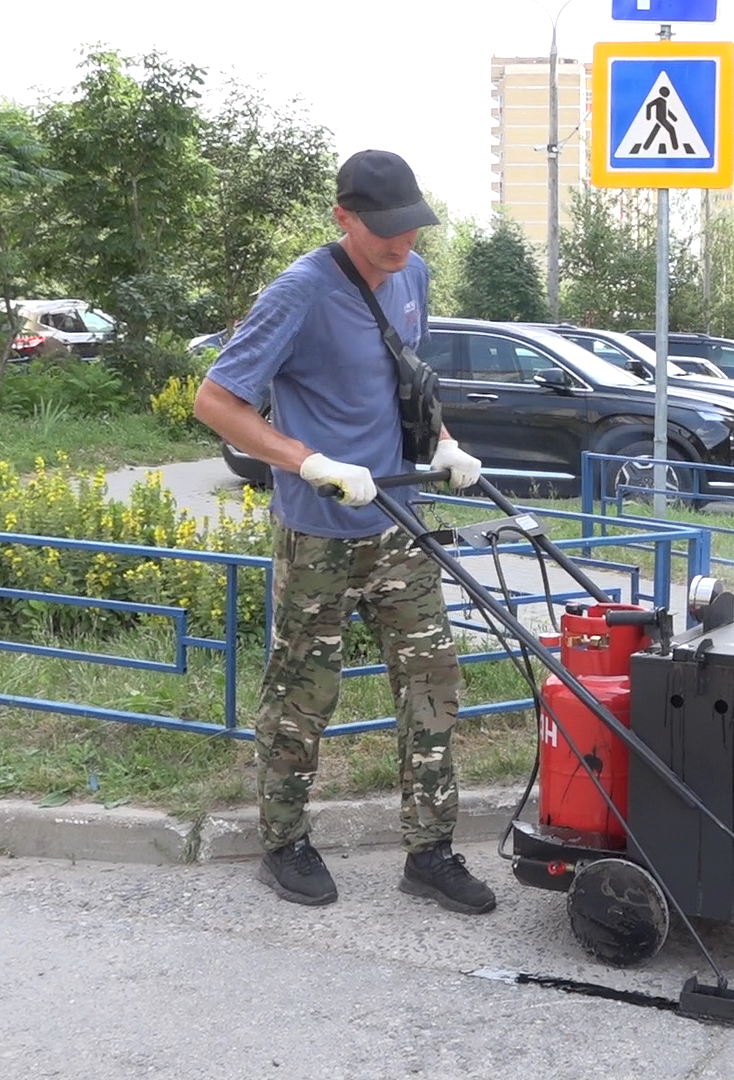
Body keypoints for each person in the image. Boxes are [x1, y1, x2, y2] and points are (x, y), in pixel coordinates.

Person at [193, 149, 494, 914]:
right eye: (386, 230)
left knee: (432, 682)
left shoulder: (413, 276)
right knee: (303, 694)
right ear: (343, 217)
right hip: (318, 535)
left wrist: (444, 443)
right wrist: (308, 461)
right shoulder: (299, 293)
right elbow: (216, 401)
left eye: (413, 228)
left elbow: (404, 378)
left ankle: (430, 853)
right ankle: (284, 842)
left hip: (396, 523)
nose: (402, 244)